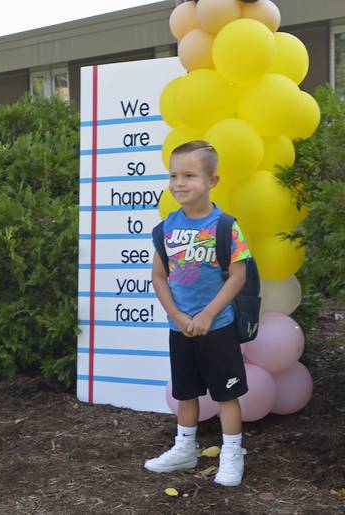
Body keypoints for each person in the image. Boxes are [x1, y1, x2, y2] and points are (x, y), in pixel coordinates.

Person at [144, 140, 250, 487]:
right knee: (185, 393)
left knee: (225, 395)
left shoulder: (225, 226)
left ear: (212, 181)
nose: (179, 183)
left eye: (189, 175)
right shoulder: (166, 228)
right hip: (181, 328)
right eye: (173, 175)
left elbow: (238, 275)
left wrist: (207, 315)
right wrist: (177, 316)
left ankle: (232, 453)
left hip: (217, 327)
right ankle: (185, 448)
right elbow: (159, 276)